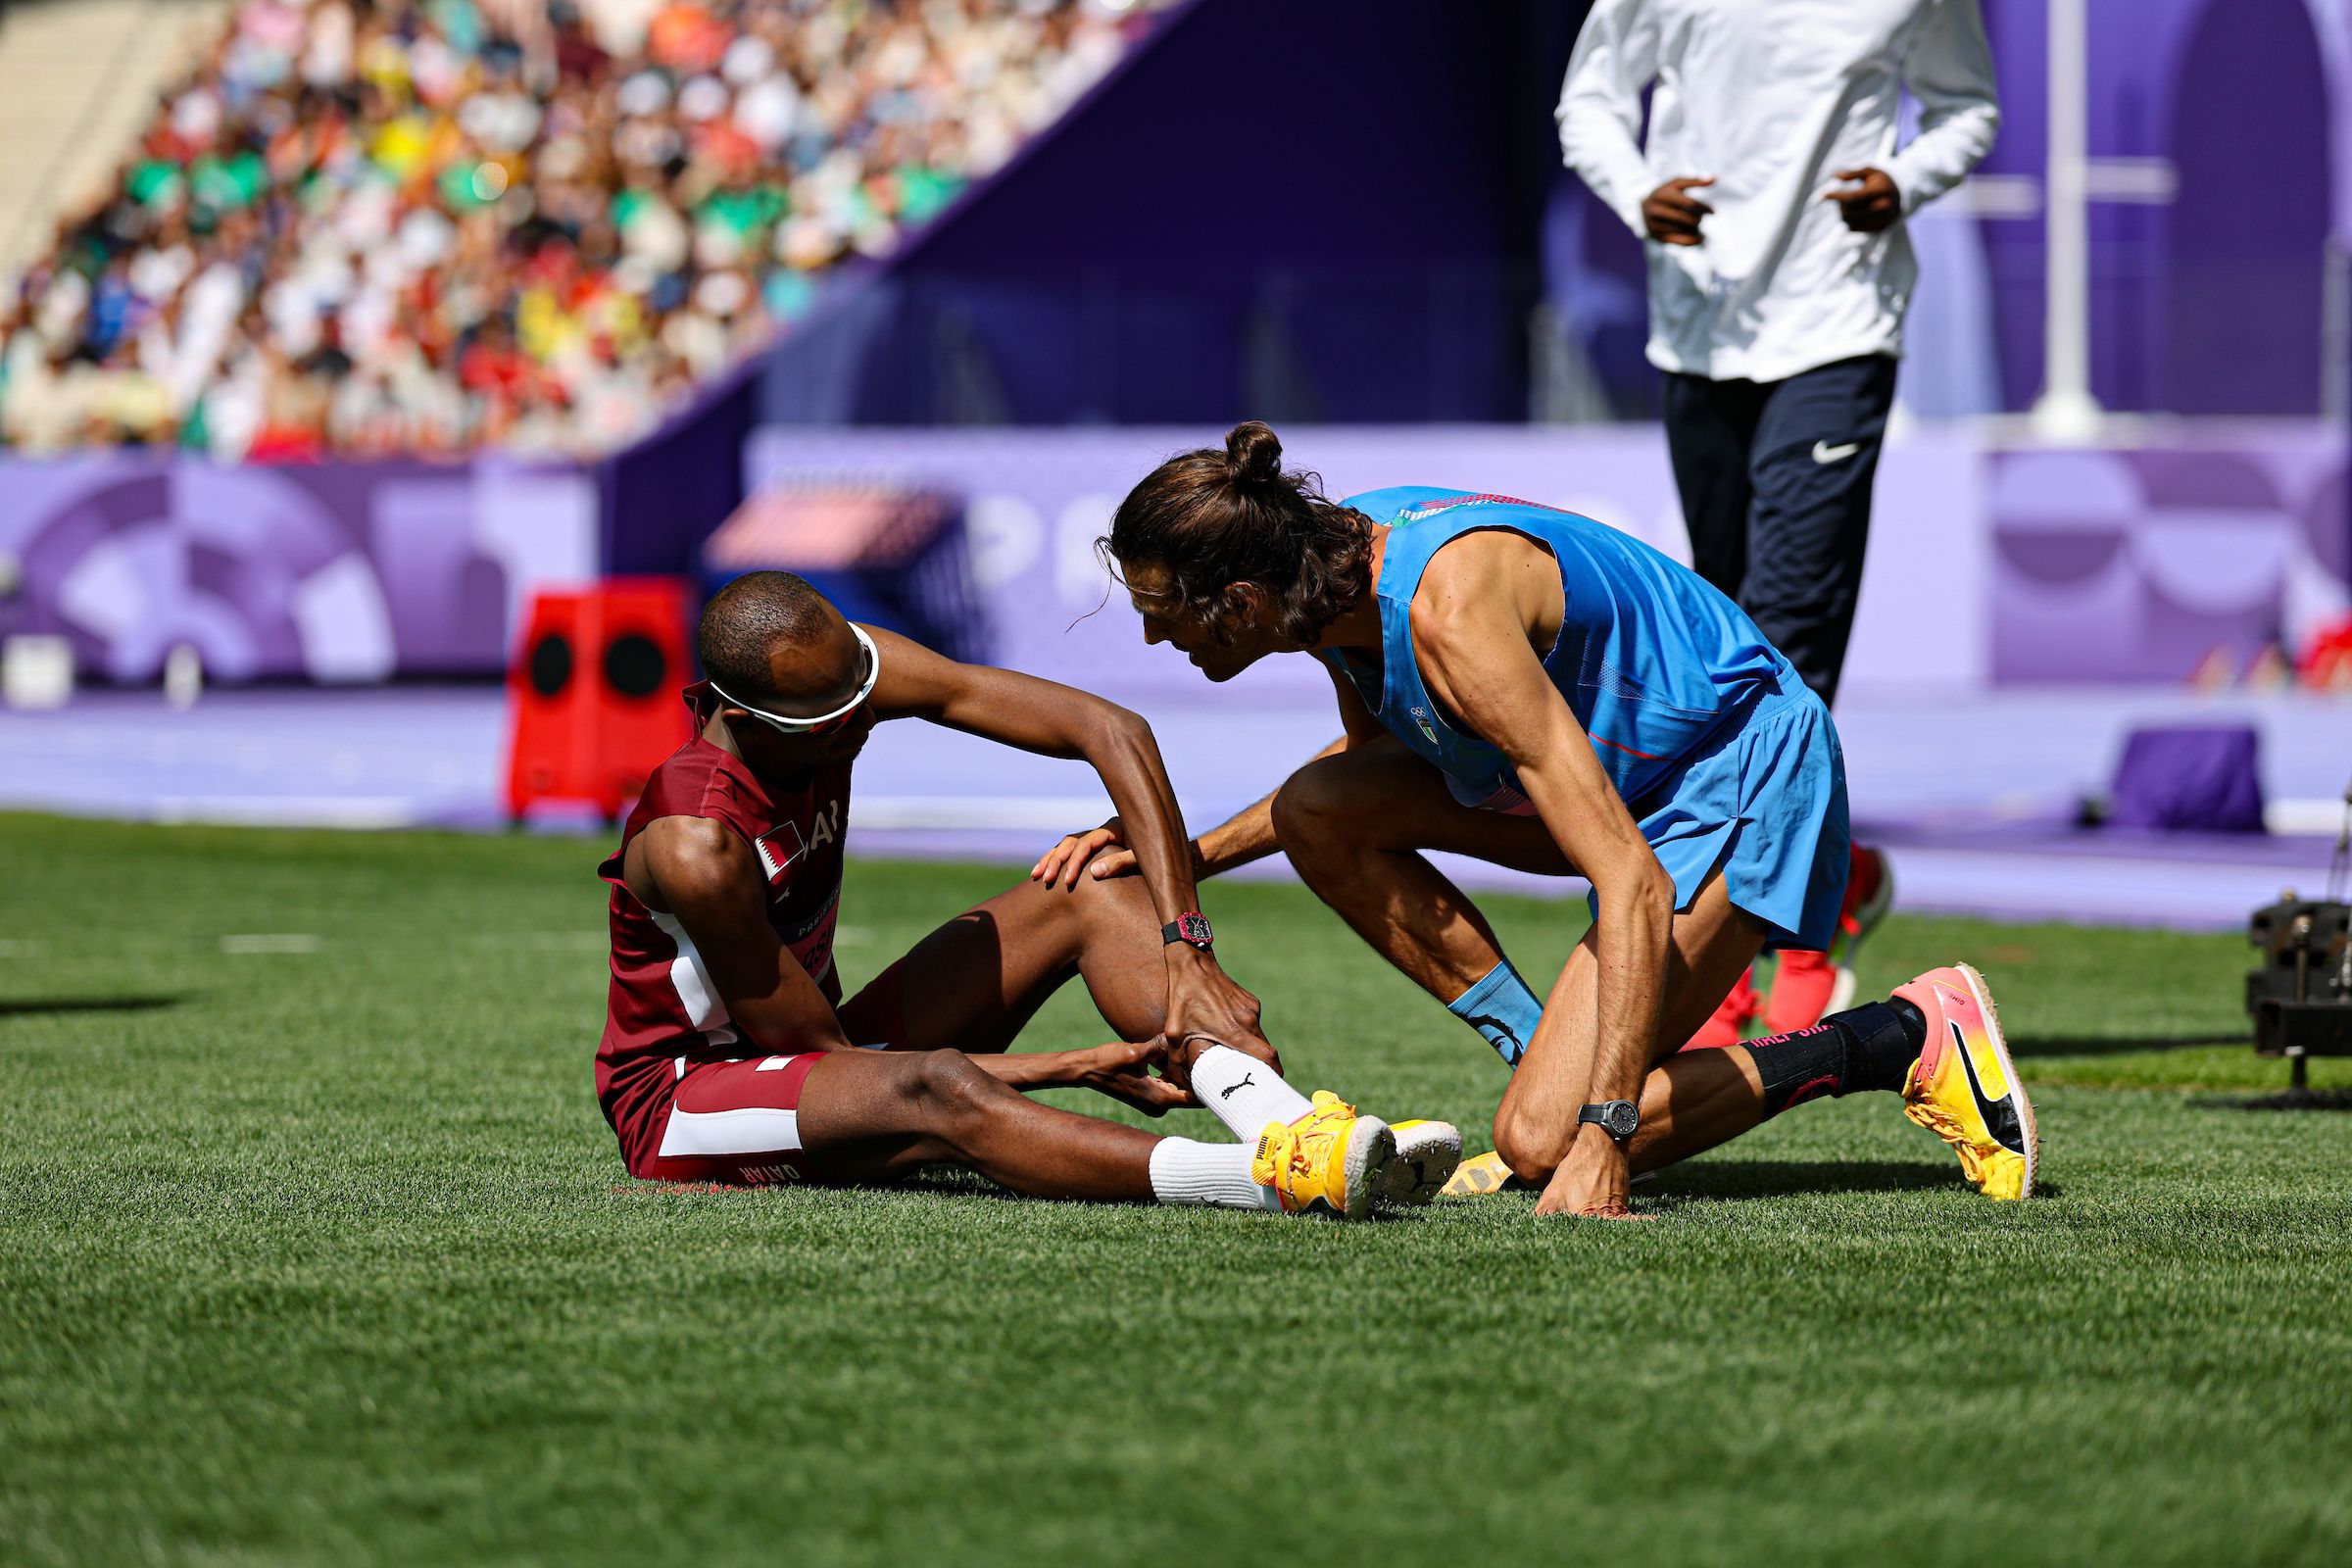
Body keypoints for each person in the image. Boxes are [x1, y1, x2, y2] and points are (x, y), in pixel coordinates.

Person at [1048, 423, 2035, 1217]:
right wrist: (1179, 854)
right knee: (1319, 811)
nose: (1147, 633)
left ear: (1242, 598)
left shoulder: (1450, 615)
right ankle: (1552, 1077)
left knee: (1542, 1141)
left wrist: (1604, 1135)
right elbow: (1370, 770)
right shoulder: (1326, 574)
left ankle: (1898, 1033)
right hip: (1637, 791)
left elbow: (1630, 879)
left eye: (1159, 607)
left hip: (1741, 777)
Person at [596, 569, 1462, 1220]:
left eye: (864, 695)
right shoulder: (696, 844)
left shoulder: (839, 677)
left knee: (1090, 881)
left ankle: (1284, 1125)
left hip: (824, 1062)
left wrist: (1185, 945)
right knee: (935, 1086)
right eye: (838, 721)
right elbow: (833, 1057)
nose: (867, 722)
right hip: (690, 1097)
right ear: (745, 720)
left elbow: (1109, 729)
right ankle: (1269, 1184)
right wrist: (1069, 1067)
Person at [1556, 0, 1999, 1040]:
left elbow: (1965, 108)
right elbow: (1589, 103)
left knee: (1791, 636)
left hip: (1841, 322)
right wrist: (1636, 193)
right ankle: (1829, 884)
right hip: (1699, 327)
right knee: (1720, 643)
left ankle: (1748, 945)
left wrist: (1904, 182)